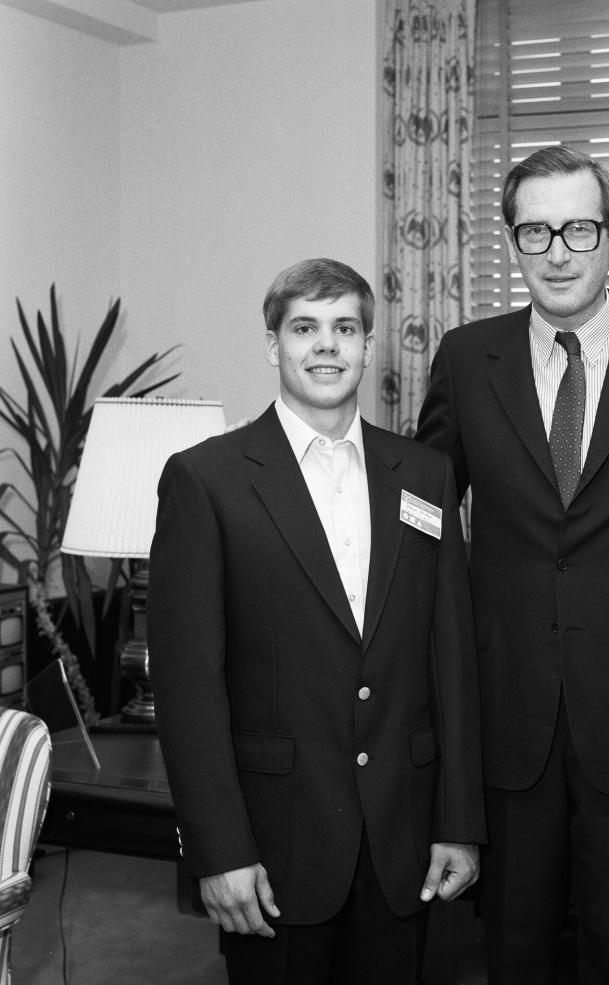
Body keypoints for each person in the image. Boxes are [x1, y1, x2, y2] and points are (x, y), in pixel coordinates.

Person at [147, 258, 487, 985]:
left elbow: (449, 657)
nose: (326, 346)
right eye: (305, 328)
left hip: (403, 841)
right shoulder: (204, 480)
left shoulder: (425, 474)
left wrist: (459, 821)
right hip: (272, 848)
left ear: (369, 344)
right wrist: (219, 849)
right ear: (274, 345)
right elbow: (187, 688)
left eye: (344, 328)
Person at [416, 145, 609, 983]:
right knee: (513, 949)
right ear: (512, 243)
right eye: (534, 231)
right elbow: (425, 512)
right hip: (508, 715)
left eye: (578, 228)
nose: (556, 251)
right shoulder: (469, 357)